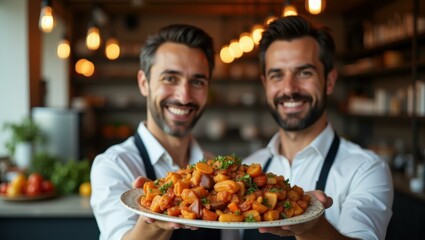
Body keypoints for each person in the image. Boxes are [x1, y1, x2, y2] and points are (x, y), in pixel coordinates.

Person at [242, 15, 394, 240]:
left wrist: (314, 229)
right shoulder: (249, 168)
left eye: (304, 72)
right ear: (265, 84)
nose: (289, 89)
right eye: (277, 75)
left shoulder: (365, 169)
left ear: (329, 81)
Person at [90, 24, 227, 240]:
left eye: (197, 81)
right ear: (144, 83)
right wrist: (154, 217)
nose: (184, 96)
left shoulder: (215, 167)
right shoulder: (115, 164)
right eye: (170, 78)